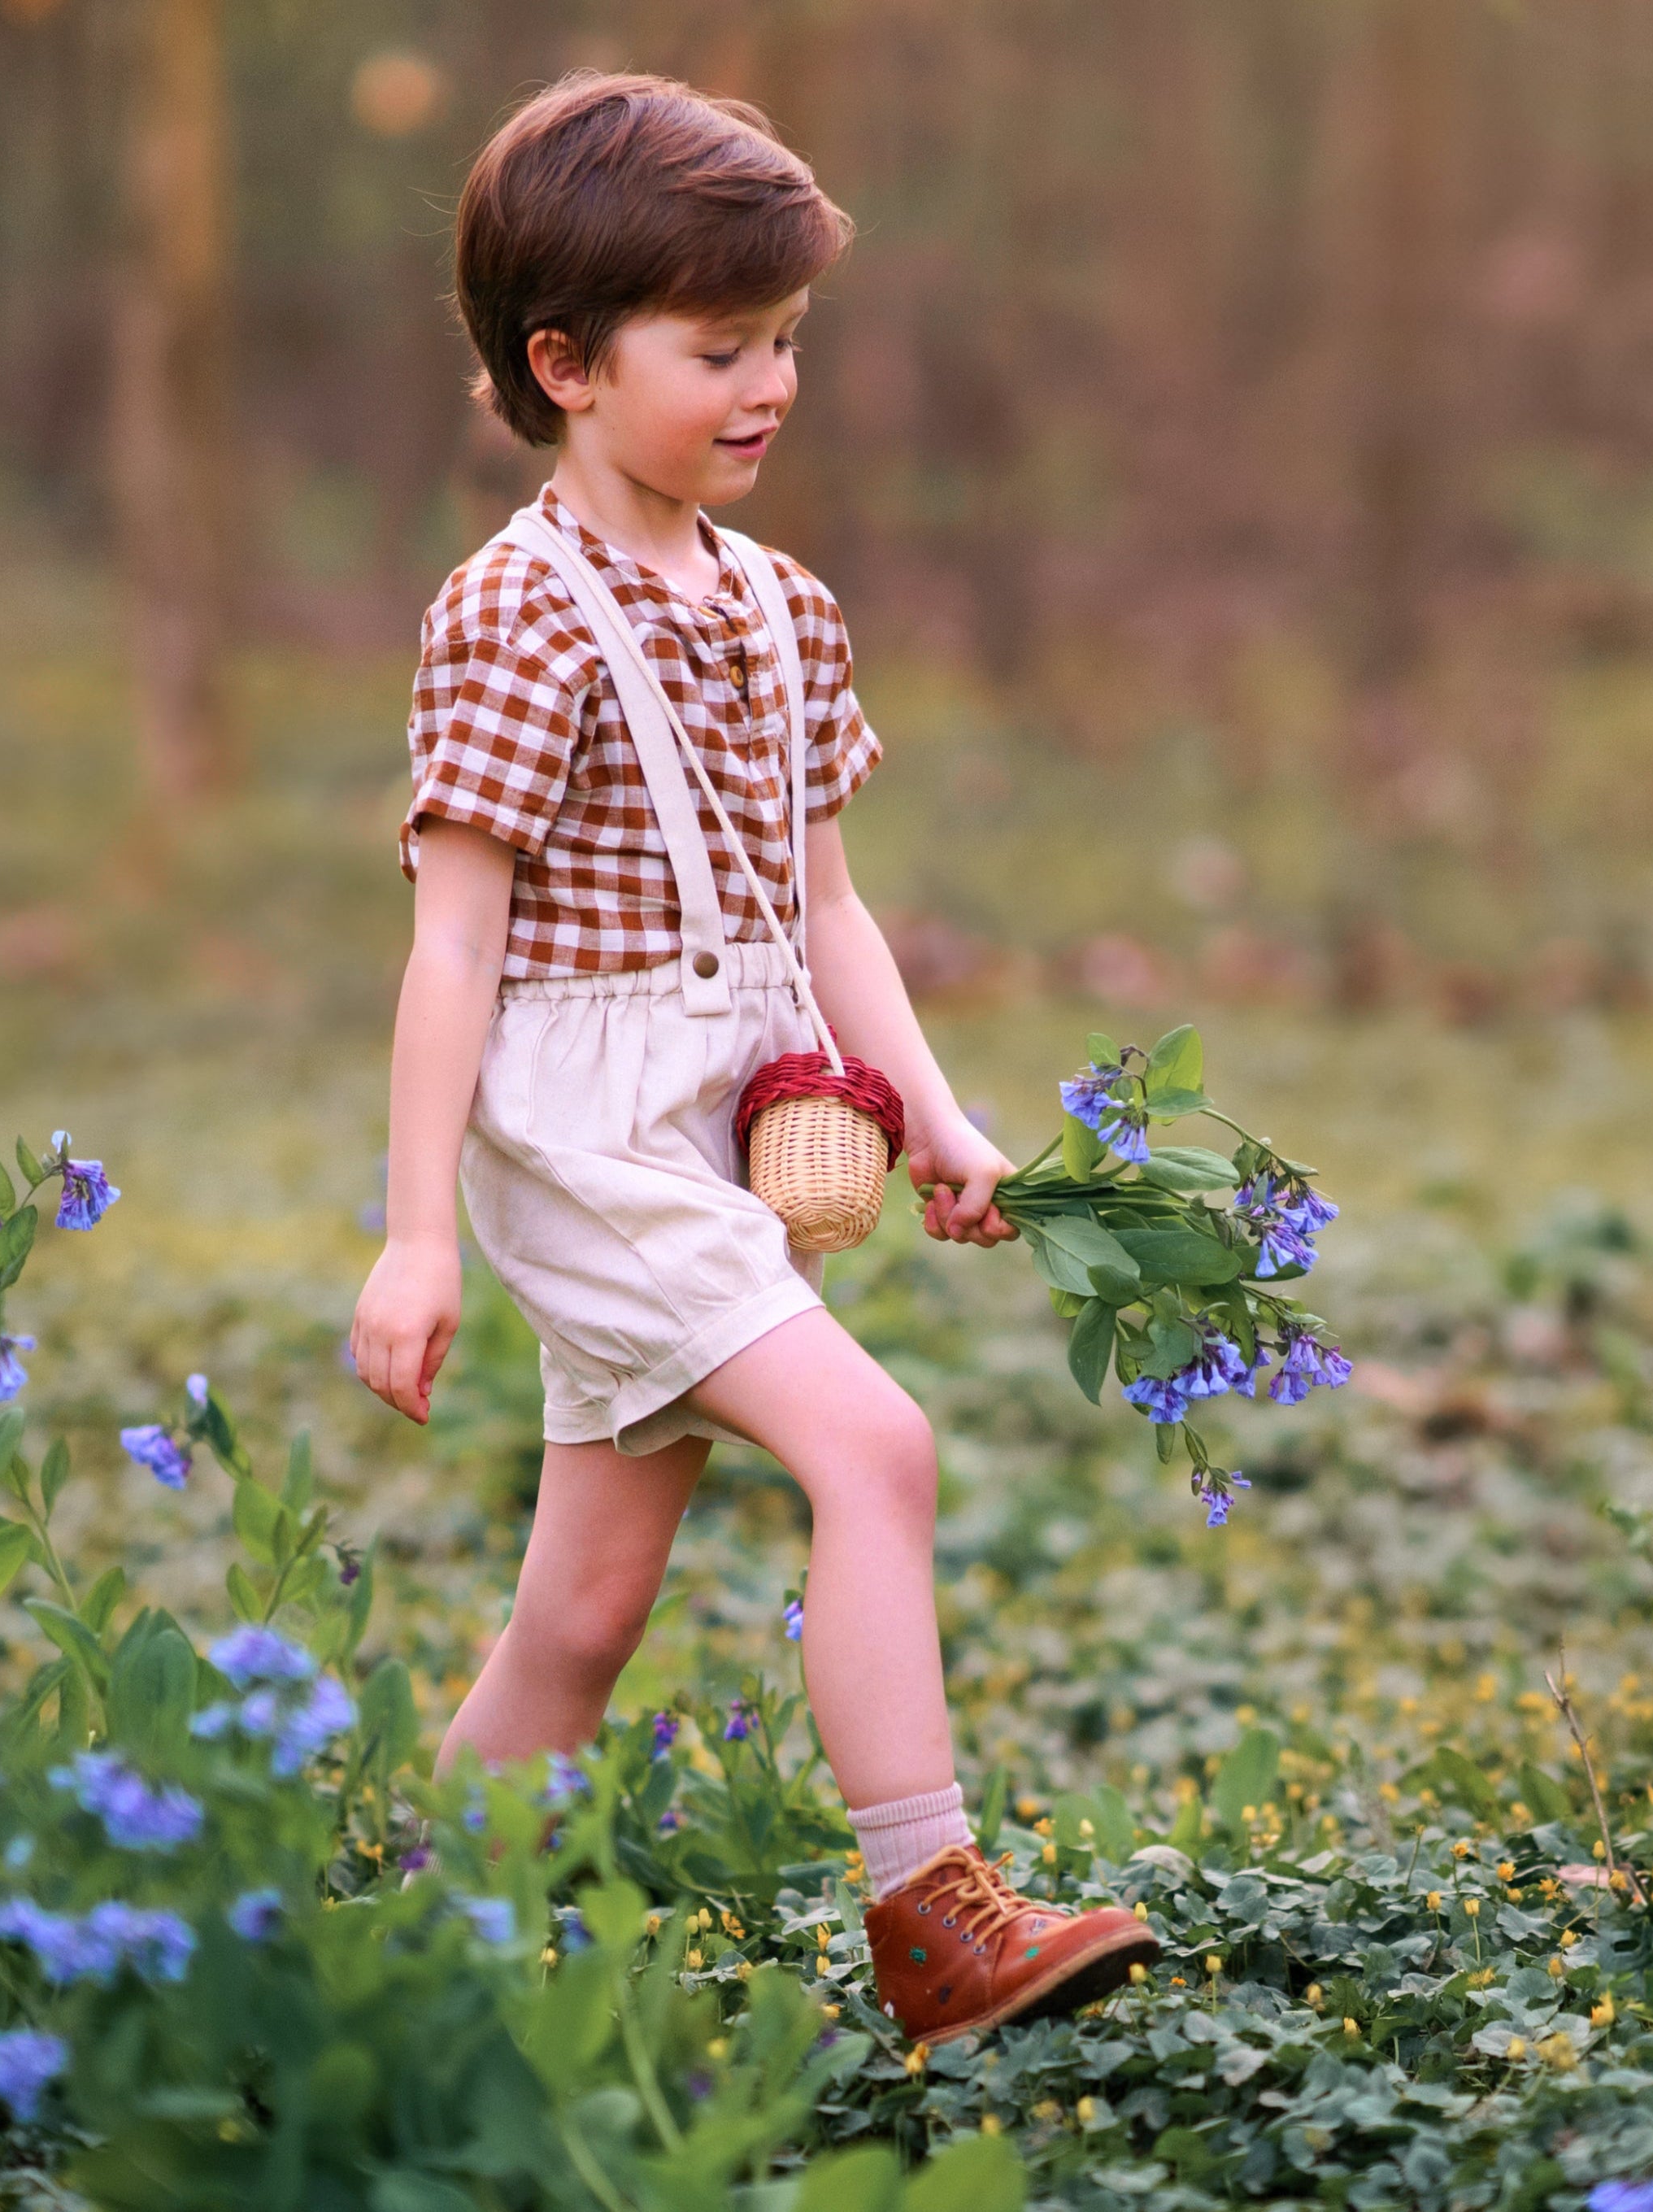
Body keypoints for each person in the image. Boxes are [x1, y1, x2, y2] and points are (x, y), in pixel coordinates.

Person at [349, 71, 1155, 2041]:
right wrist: (417, 1234)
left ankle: (392, 1970)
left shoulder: (784, 609)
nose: (766, 383)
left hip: (742, 1119)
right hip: (590, 1134)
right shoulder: (515, 614)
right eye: (718, 348)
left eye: (783, 339)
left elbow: (828, 913)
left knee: (584, 1612)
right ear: (561, 363)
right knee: (875, 1447)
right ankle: (932, 1910)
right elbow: (451, 940)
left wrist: (942, 1117)